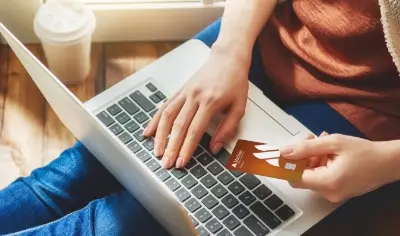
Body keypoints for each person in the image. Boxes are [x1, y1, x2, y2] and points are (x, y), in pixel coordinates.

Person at [2, 0, 400, 235]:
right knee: (72, 174)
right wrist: (230, 49)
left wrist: (386, 162)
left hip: (369, 120)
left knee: (120, 223)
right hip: (260, 40)